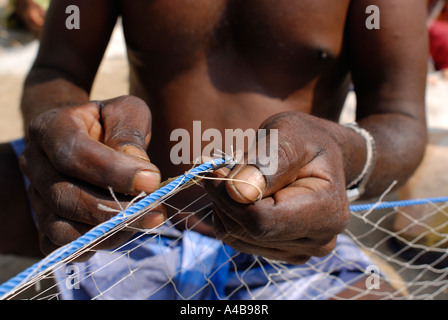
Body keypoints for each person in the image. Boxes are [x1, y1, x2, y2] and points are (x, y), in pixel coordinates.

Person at [0, 0, 428, 299]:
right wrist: (64, 135)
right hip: (129, 216)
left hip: (290, 240)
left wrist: (342, 151)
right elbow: (57, 67)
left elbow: (400, 118)